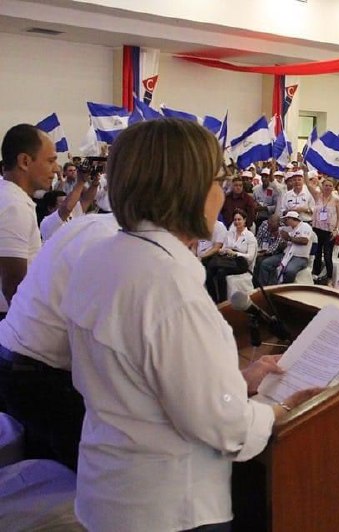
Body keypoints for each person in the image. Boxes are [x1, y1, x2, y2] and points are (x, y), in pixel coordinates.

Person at [59, 119, 319, 531]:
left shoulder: (98, 257)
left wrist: (238, 381)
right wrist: (284, 410)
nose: (222, 192)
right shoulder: (169, 284)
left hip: (109, 491)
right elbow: (220, 425)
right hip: (169, 507)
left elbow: (149, 380)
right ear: (189, 188)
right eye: (219, 178)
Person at [0, 213, 119, 470]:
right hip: (38, 373)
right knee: (105, 470)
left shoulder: (93, 224)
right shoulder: (112, 241)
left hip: (16, 359)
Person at [0, 124, 57, 319]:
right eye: (50, 161)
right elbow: (12, 284)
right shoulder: (14, 206)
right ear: (24, 161)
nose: (56, 169)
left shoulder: (9, 197)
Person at [205, 208, 257, 303]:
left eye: (239, 219)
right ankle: (214, 299)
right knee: (214, 271)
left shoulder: (250, 236)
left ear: (244, 220)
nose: (237, 222)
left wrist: (235, 253)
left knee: (214, 268)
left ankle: (222, 301)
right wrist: (223, 251)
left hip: (241, 263)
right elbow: (223, 248)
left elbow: (250, 257)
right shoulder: (230, 234)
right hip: (228, 260)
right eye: (235, 220)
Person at [257, 211, 313, 286]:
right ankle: (264, 288)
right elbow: (284, 243)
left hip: (299, 257)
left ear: (291, 219)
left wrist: (289, 238)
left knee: (289, 271)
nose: (285, 222)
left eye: (286, 220)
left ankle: (284, 289)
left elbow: (305, 241)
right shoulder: (289, 229)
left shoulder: (305, 226)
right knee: (265, 263)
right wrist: (282, 244)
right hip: (286, 254)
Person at [310, 177, 339, 285]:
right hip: (317, 228)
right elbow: (308, 184)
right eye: (326, 185)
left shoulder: (337, 200)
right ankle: (315, 274)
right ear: (322, 186)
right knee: (317, 253)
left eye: (330, 185)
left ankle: (329, 278)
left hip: (329, 231)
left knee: (328, 255)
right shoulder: (317, 196)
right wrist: (305, 172)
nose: (328, 187)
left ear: (333, 187)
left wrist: (336, 230)